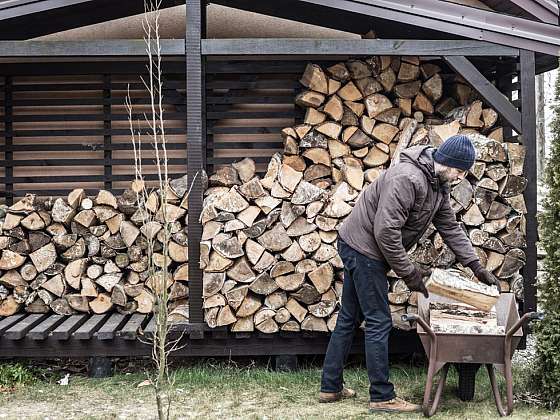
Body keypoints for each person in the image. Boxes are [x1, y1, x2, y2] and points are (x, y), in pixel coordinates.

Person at [319, 135, 500, 413]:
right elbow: (386, 233)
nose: (462, 177)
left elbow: (450, 227)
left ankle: (330, 387)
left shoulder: (438, 184)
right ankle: (381, 396)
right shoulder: (407, 178)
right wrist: (410, 274)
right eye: (461, 171)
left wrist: (476, 266)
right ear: (450, 163)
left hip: (365, 247)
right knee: (378, 321)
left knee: (348, 318)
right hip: (364, 249)